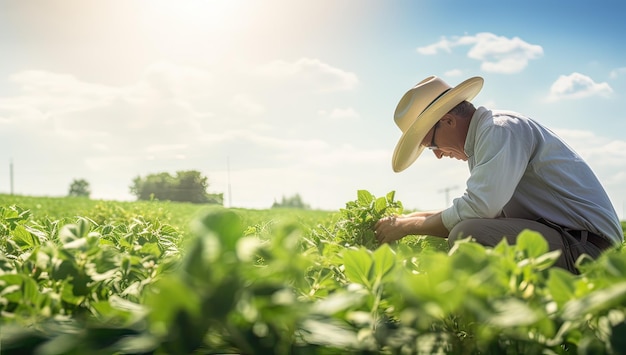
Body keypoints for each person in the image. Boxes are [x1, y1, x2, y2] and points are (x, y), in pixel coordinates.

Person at [374, 75, 623, 273]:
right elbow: (481, 210)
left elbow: (478, 210)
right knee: (458, 236)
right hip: (569, 240)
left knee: (467, 235)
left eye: (431, 146)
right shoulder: (488, 134)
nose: (437, 155)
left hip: (587, 249)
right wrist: (408, 219)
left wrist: (410, 226)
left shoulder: (498, 131)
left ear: (448, 121)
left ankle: (475, 332)